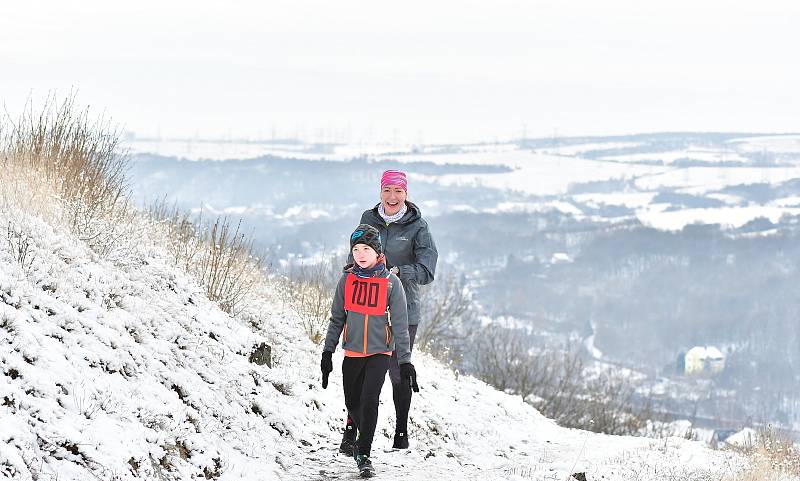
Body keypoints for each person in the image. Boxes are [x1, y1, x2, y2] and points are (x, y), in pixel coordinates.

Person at [339, 169, 438, 453]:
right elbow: (355, 253)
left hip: (403, 310)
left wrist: (397, 272)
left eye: (398, 191)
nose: (392, 197)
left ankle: (401, 432)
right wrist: (352, 269)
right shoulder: (368, 219)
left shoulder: (419, 227)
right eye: (387, 190)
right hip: (366, 308)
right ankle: (351, 431)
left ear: (406, 194)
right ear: (380, 191)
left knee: (397, 371)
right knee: (360, 370)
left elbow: (427, 271)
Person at [321, 224, 418, 479]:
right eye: (356, 249)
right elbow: (336, 319)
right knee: (352, 403)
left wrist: (406, 361)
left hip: (380, 353)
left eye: (366, 249)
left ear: (378, 252)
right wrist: (327, 353)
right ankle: (361, 438)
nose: (360, 254)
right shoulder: (347, 280)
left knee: (369, 401)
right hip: (352, 352)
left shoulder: (391, 284)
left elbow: (400, 326)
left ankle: (364, 454)